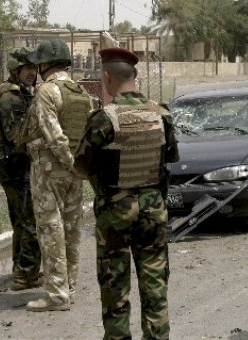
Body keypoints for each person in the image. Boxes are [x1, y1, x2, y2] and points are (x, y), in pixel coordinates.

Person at [74, 46, 179, 340]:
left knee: (114, 288)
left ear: (107, 77)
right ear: (135, 75)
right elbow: (169, 156)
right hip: (153, 212)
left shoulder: (102, 120)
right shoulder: (161, 114)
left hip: (115, 216)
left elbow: (80, 168)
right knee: (155, 283)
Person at [17, 38, 94, 311]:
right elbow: (88, 133)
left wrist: (68, 161)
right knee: (72, 231)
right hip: (76, 174)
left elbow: (53, 134)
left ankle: (56, 296)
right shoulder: (80, 92)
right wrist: (80, 166)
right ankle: (68, 289)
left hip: (50, 171)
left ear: (44, 64)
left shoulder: (47, 91)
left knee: (51, 231)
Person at [0, 47, 42, 291]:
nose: (32, 73)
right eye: (28, 69)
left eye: (34, 68)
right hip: (15, 165)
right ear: (16, 70)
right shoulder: (11, 97)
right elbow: (17, 137)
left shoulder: (21, 93)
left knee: (22, 221)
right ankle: (26, 274)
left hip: (16, 164)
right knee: (29, 219)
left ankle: (22, 270)